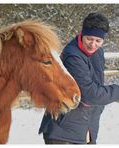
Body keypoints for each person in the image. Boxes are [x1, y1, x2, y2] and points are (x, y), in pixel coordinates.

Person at [38, 12, 119, 144]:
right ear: (82, 34)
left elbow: (97, 84)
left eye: (98, 41)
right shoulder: (73, 56)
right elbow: (90, 94)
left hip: (86, 128)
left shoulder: (98, 52)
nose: (93, 44)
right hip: (63, 131)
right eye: (89, 39)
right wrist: (116, 91)